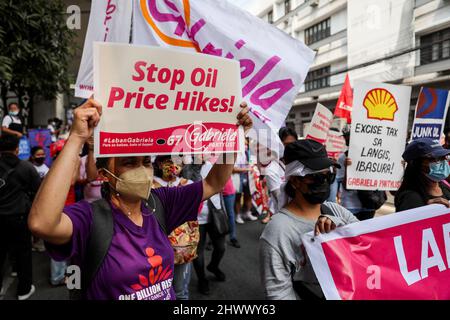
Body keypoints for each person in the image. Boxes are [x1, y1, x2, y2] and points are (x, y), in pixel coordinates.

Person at [28, 99, 253, 300]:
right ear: (106, 175)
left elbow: (214, 183)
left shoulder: (160, 203)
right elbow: (41, 223)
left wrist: (232, 136)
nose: (142, 171)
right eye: (129, 163)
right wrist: (77, 138)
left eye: (146, 162)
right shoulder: (89, 218)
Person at [259, 139, 359, 300]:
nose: (324, 181)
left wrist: (338, 226)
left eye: (329, 175)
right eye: (315, 177)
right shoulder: (277, 232)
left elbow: (366, 246)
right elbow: (279, 293)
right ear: (295, 181)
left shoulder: (336, 211)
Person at [0, 135, 41, 300]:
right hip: (19, 217)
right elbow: (38, 191)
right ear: (17, 149)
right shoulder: (26, 167)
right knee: (23, 252)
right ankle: (24, 290)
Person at [153, 155, 195, 300]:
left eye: (178, 162)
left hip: (181, 248)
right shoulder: (148, 185)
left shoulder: (189, 184)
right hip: (154, 249)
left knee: (180, 291)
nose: (173, 166)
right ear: (159, 164)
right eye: (168, 162)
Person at [193, 156, 228, 295]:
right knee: (198, 252)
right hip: (195, 217)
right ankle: (202, 279)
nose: (202, 152)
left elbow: (222, 185)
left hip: (215, 213)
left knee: (220, 247)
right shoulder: (187, 168)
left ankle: (213, 266)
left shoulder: (213, 166)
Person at [395, 138, 450, 211]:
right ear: (416, 164)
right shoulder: (410, 198)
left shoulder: (445, 188)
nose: (443, 162)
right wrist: (425, 212)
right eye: (436, 159)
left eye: (444, 157)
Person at [336, 126, 377, 220]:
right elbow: (346, 186)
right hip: (351, 205)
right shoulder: (343, 158)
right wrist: (347, 168)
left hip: (369, 203)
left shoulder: (371, 154)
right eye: (345, 136)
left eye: (348, 136)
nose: (346, 139)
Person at [29, 146, 49, 252]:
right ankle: (33, 242)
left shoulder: (47, 168)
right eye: (38, 155)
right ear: (32, 156)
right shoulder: (29, 167)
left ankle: (37, 242)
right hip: (30, 199)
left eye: (42, 154)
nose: (41, 156)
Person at [233, 139, 256, 224]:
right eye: (244, 144)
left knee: (249, 195)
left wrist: (251, 166)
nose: (246, 146)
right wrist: (246, 168)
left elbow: (252, 163)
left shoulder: (248, 153)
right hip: (238, 177)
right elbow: (233, 169)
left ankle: (247, 212)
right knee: (238, 196)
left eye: (247, 145)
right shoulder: (235, 154)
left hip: (248, 176)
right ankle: (238, 215)